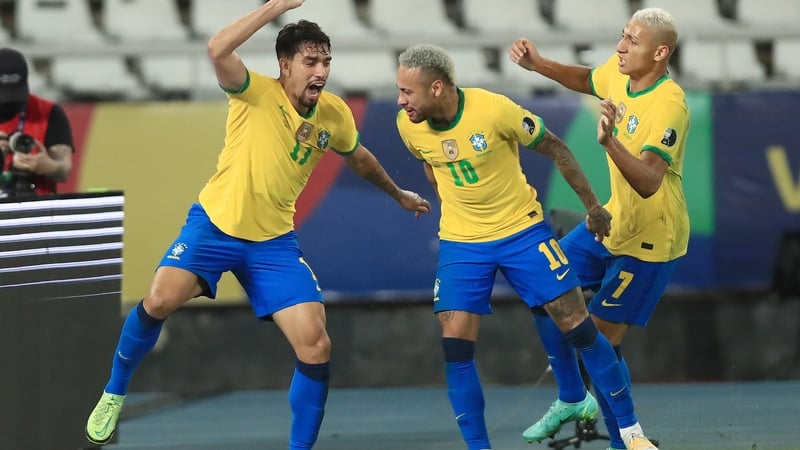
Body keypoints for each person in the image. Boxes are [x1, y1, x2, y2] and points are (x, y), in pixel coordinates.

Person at [85, 1, 431, 448]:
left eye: (326, 61)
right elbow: (217, 48)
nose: (321, 71)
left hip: (272, 245)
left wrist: (399, 195)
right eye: (310, 61)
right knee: (158, 299)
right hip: (214, 228)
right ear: (285, 65)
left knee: (316, 344)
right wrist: (276, 7)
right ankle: (114, 391)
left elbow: (359, 158)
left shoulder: (334, 114)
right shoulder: (253, 91)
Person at [395, 44, 659, 450]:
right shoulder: (408, 124)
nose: (400, 101)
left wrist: (593, 207)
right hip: (462, 242)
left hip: (522, 231)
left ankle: (631, 434)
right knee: (455, 345)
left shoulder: (494, 109)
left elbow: (557, 148)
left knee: (578, 325)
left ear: (436, 88)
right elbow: (430, 163)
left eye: (407, 92)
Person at [508, 7, 689, 450]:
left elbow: (648, 182)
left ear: (660, 52)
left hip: (650, 240)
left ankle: (626, 439)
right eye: (622, 36)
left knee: (598, 339)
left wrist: (610, 142)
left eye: (632, 41)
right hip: (612, 222)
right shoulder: (620, 74)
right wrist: (540, 64)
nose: (620, 47)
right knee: (544, 284)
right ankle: (573, 398)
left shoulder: (670, 105)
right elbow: (588, 77)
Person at [0, 47, 73, 198]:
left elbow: (64, 168)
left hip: (36, 209)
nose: (8, 104)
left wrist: (49, 166)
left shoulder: (48, 112)